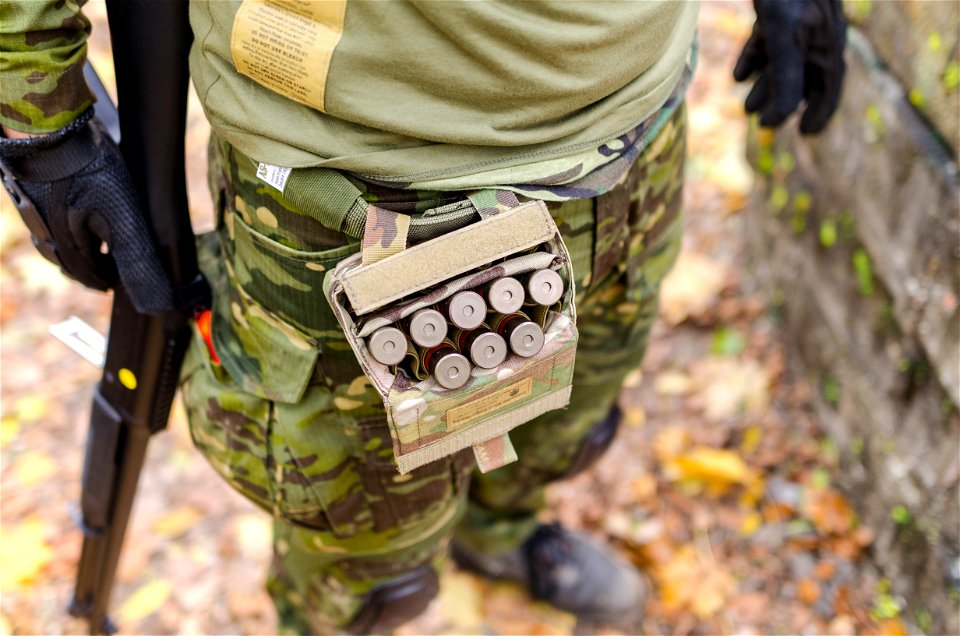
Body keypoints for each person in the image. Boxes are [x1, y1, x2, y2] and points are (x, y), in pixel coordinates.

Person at [0, 1, 845, 633]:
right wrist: (40, 114)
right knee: (365, 562)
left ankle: (500, 531)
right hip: (361, 187)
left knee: (569, 426)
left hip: (632, 123)